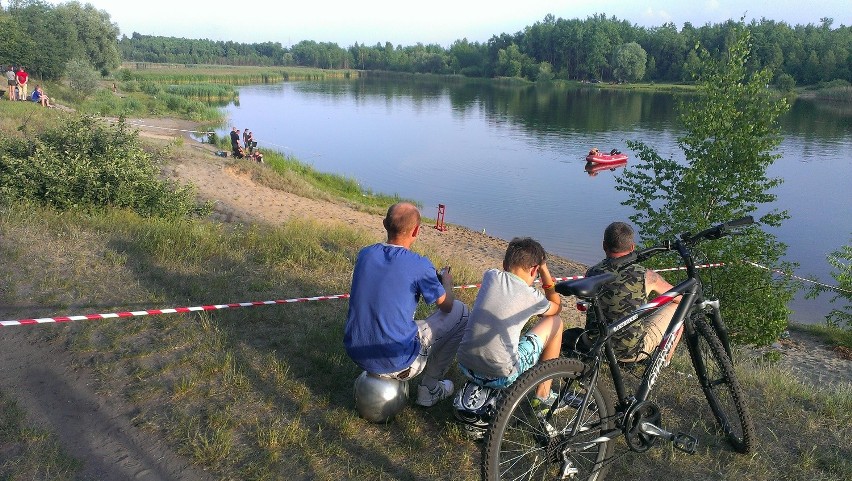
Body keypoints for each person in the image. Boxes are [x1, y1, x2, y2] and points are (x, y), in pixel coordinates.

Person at [344, 202, 470, 407]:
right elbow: (445, 306)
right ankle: (429, 389)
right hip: (398, 361)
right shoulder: (419, 265)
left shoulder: (365, 254)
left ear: (384, 224)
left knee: (410, 322)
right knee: (461, 312)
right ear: (416, 231)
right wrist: (446, 282)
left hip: (357, 351)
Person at [456, 237, 564, 406]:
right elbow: (557, 307)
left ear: (505, 264)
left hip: (465, 366)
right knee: (556, 322)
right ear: (534, 269)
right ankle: (542, 396)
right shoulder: (531, 296)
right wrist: (544, 271)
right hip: (504, 376)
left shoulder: (490, 276)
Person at [585, 222, 680, 362]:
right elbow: (679, 297)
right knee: (679, 307)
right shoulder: (646, 275)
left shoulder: (591, 272)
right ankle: (664, 361)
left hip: (594, 345)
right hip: (631, 352)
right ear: (633, 247)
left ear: (604, 245)